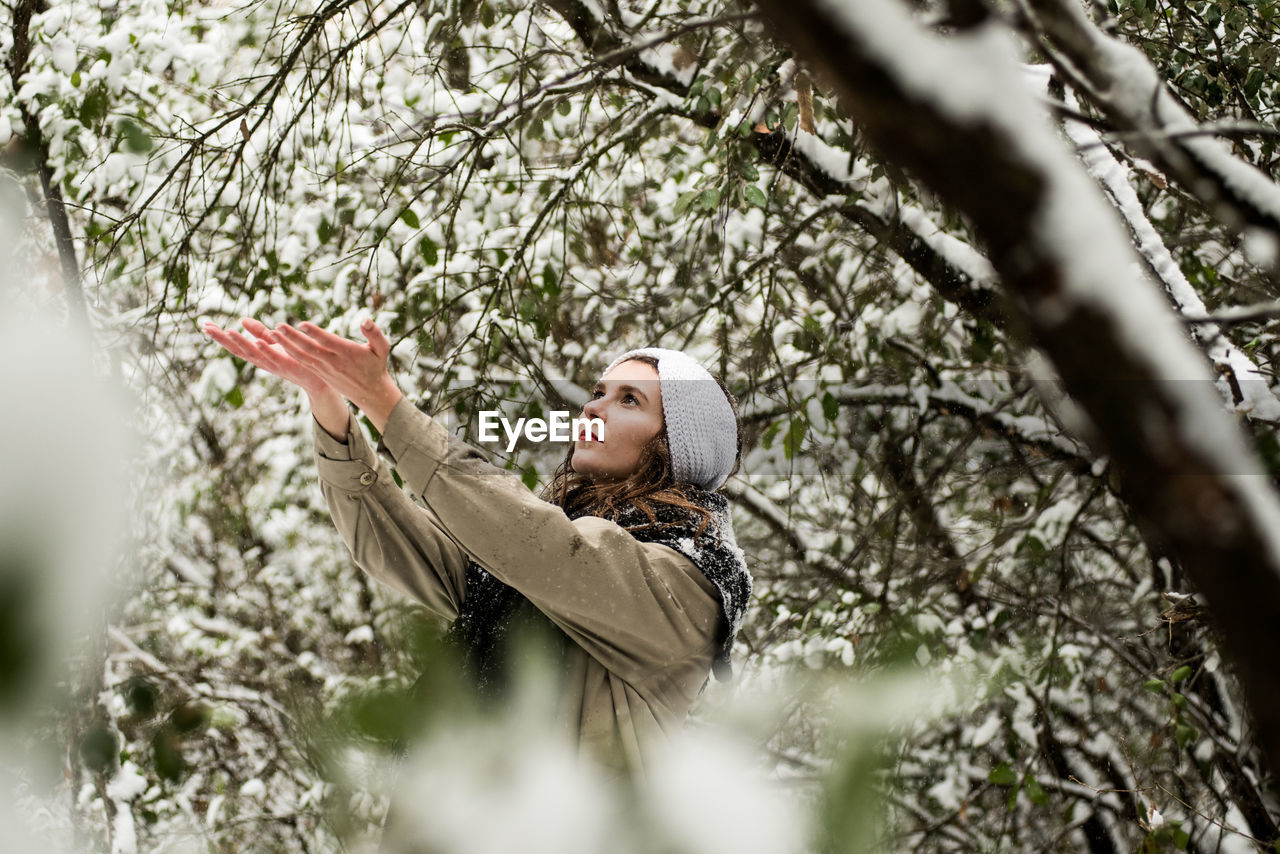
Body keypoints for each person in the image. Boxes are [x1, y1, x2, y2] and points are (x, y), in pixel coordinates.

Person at [202, 316, 751, 777]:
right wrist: (331, 405)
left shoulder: (690, 577)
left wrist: (387, 403)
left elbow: (545, 550)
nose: (593, 409)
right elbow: (395, 546)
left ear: (676, 444)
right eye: (597, 393)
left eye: (629, 400)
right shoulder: (531, 562)